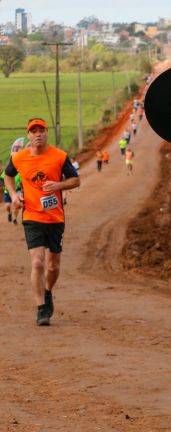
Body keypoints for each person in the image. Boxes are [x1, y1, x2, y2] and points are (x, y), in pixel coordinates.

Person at [3, 118, 80, 326]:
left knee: (53, 266)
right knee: (37, 263)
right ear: (29, 135)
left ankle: (47, 292)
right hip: (32, 217)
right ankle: (40, 310)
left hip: (55, 218)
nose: (38, 134)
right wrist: (13, 195)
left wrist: (58, 185)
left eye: (41, 130)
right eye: (33, 131)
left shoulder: (59, 156)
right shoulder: (18, 158)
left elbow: (76, 180)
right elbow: (7, 176)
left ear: (47, 133)